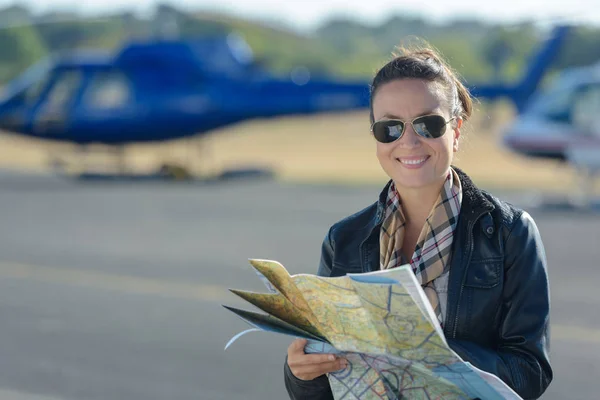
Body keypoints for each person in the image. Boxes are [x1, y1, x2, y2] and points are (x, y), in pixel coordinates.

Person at [283, 45, 553, 399]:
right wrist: (301, 374)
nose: (408, 141)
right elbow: (325, 388)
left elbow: (530, 373)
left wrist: (429, 356)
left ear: (455, 131)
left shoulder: (510, 233)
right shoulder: (343, 239)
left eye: (428, 124)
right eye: (389, 128)